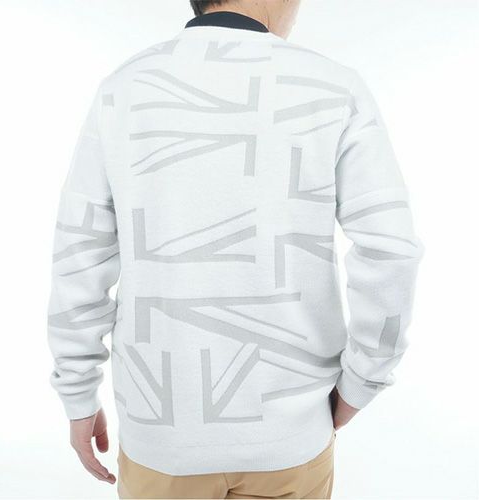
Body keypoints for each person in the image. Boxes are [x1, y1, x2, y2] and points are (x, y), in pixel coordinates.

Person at [46, 0, 424, 498]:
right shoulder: (335, 87)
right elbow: (391, 249)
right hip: (291, 434)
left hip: (163, 437)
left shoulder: (123, 90)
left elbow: (81, 251)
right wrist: (361, 383)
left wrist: (77, 392)